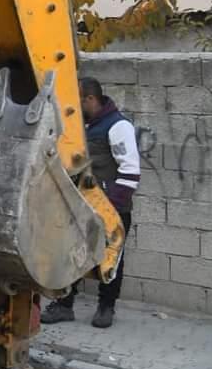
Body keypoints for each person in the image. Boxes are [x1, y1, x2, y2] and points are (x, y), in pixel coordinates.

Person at [42, 76, 140, 328]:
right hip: (80, 207)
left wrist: (112, 210)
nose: (74, 108)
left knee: (111, 259)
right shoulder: (83, 127)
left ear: (90, 99)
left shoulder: (118, 126)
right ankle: (65, 306)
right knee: (73, 253)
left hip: (111, 210)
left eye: (78, 101)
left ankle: (106, 308)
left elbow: (130, 172)